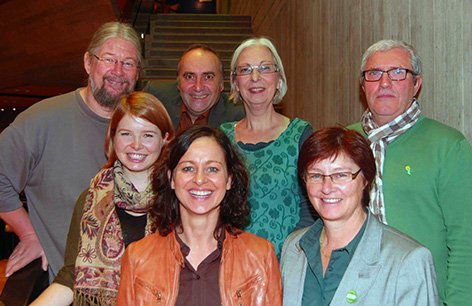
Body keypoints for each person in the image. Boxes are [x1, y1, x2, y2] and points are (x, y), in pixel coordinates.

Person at [0, 21, 141, 280]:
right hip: (68, 287)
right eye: (109, 59)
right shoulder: (44, 119)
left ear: (137, 73)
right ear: (88, 63)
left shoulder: (143, 129)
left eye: (128, 63)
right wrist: (29, 234)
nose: (118, 71)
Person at [348, 39, 472, 305]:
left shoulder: (448, 146)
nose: (384, 82)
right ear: (363, 86)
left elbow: (466, 239)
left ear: (416, 84)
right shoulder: (346, 142)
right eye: (374, 74)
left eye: (397, 72)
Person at [30, 92, 174, 305]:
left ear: (165, 138)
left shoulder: (179, 199)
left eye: (148, 135)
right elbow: (73, 275)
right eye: (126, 134)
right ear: (113, 137)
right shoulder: (90, 199)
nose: (136, 145)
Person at [116, 126, 282, 306]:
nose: (200, 179)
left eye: (212, 169)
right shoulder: (138, 257)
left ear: (229, 180)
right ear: (171, 178)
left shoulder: (260, 255)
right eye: (188, 168)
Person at [281, 127, 438, 306]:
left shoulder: (408, 260)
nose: (326, 187)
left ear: (365, 179)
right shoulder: (293, 247)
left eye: (341, 175)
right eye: (316, 176)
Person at [220, 37, 316, 256]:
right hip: (232, 263)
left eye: (265, 68)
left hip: (288, 262)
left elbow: (311, 206)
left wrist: (288, 259)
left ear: (279, 78)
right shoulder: (222, 137)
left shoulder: (301, 135)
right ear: (235, 82)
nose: (255, 77)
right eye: (245, 70)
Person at [144, 44, 245, 134]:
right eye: (189, 76)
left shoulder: (238, 118)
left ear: (222, 84)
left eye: (208, 77)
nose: (198, 87)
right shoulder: (155, 98)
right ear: (178, 82)